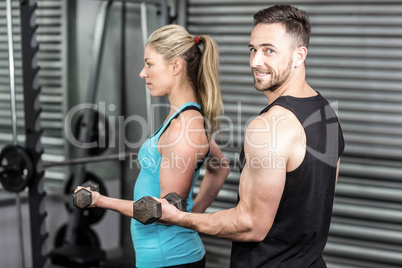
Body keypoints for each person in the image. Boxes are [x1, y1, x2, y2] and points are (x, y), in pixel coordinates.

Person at [156, 4, 345, 268]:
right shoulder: (326, 113)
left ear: (299, 55)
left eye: (269, 50)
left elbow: (250, 225)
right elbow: (314, 203)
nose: (255, 61)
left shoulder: (268, 126)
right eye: (253, 49)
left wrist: (178, 218)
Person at [76, 24, 230, 267]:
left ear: (176, 66)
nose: (142, 73)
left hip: (169, 258)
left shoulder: (183, 129)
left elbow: (162, 212)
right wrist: (191, 215)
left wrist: (99, 201)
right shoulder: (183, 118)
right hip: (164, 255)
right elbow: (220, 167)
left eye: (149, 64)